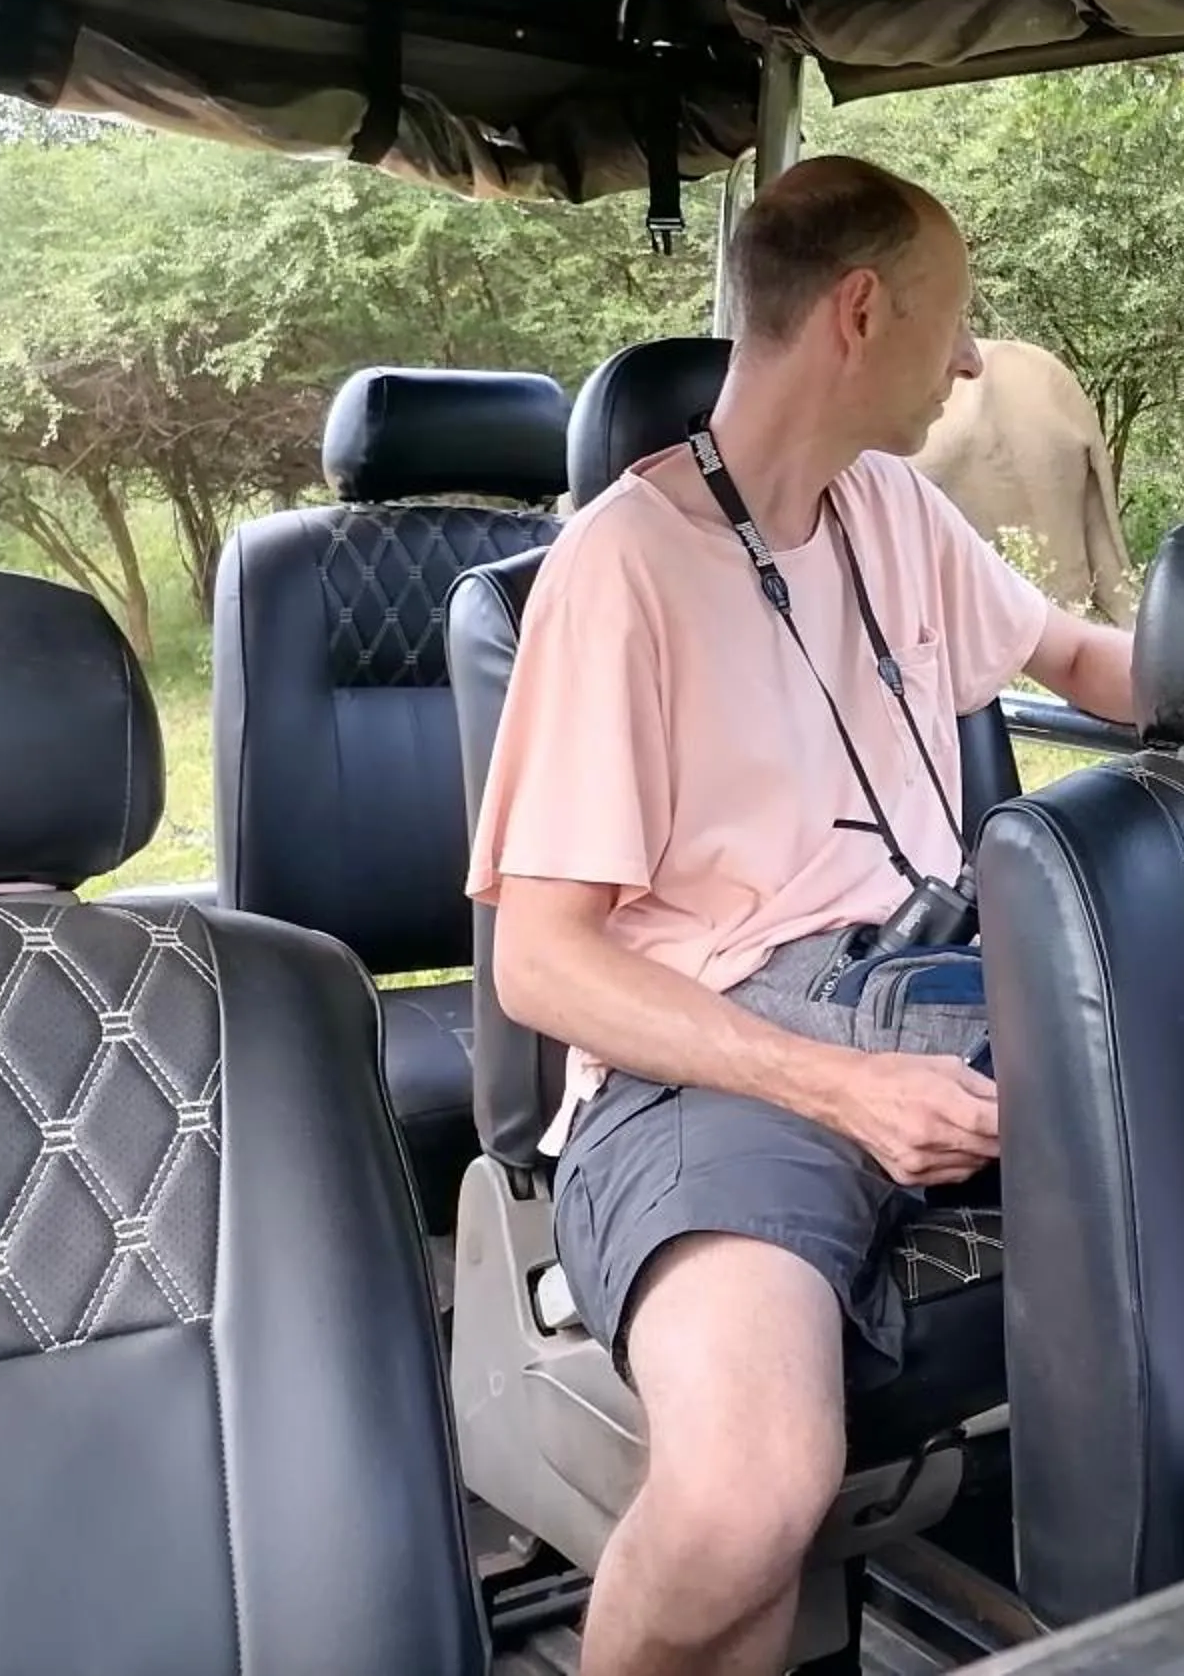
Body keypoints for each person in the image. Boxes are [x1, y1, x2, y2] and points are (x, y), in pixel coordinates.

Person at [470, 154, 1138, 1676]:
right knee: (746, 1497)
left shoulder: (896, 508)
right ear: (860, 312)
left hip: (937, 992)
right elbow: (542, 964)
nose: (968, 363)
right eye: (956, 321)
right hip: (715, 1065)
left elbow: (1084, 661)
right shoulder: (620, 572)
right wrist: (841, 1087)